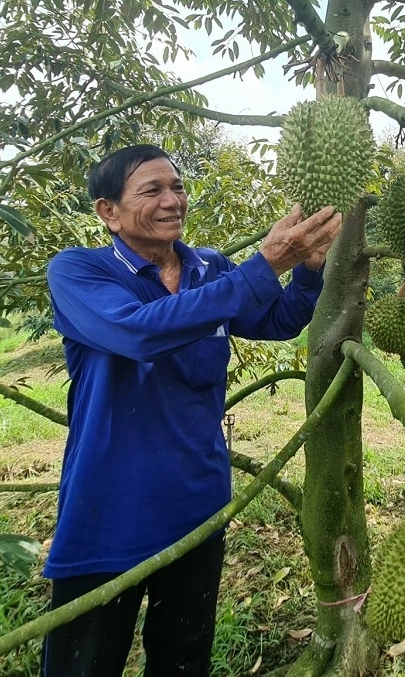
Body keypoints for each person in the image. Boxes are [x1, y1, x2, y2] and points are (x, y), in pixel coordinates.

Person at [40, 144, 343, 677]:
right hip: (110, 509)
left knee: (182, 660)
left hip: (195, 504)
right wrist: (264, 265)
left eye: (176, 187)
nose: (171, 200)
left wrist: (307, 272)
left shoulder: (211, 270)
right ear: (108, 211)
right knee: (84, 663)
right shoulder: (79, 272)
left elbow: (277, 321)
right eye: (151, 190)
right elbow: (139, 331)